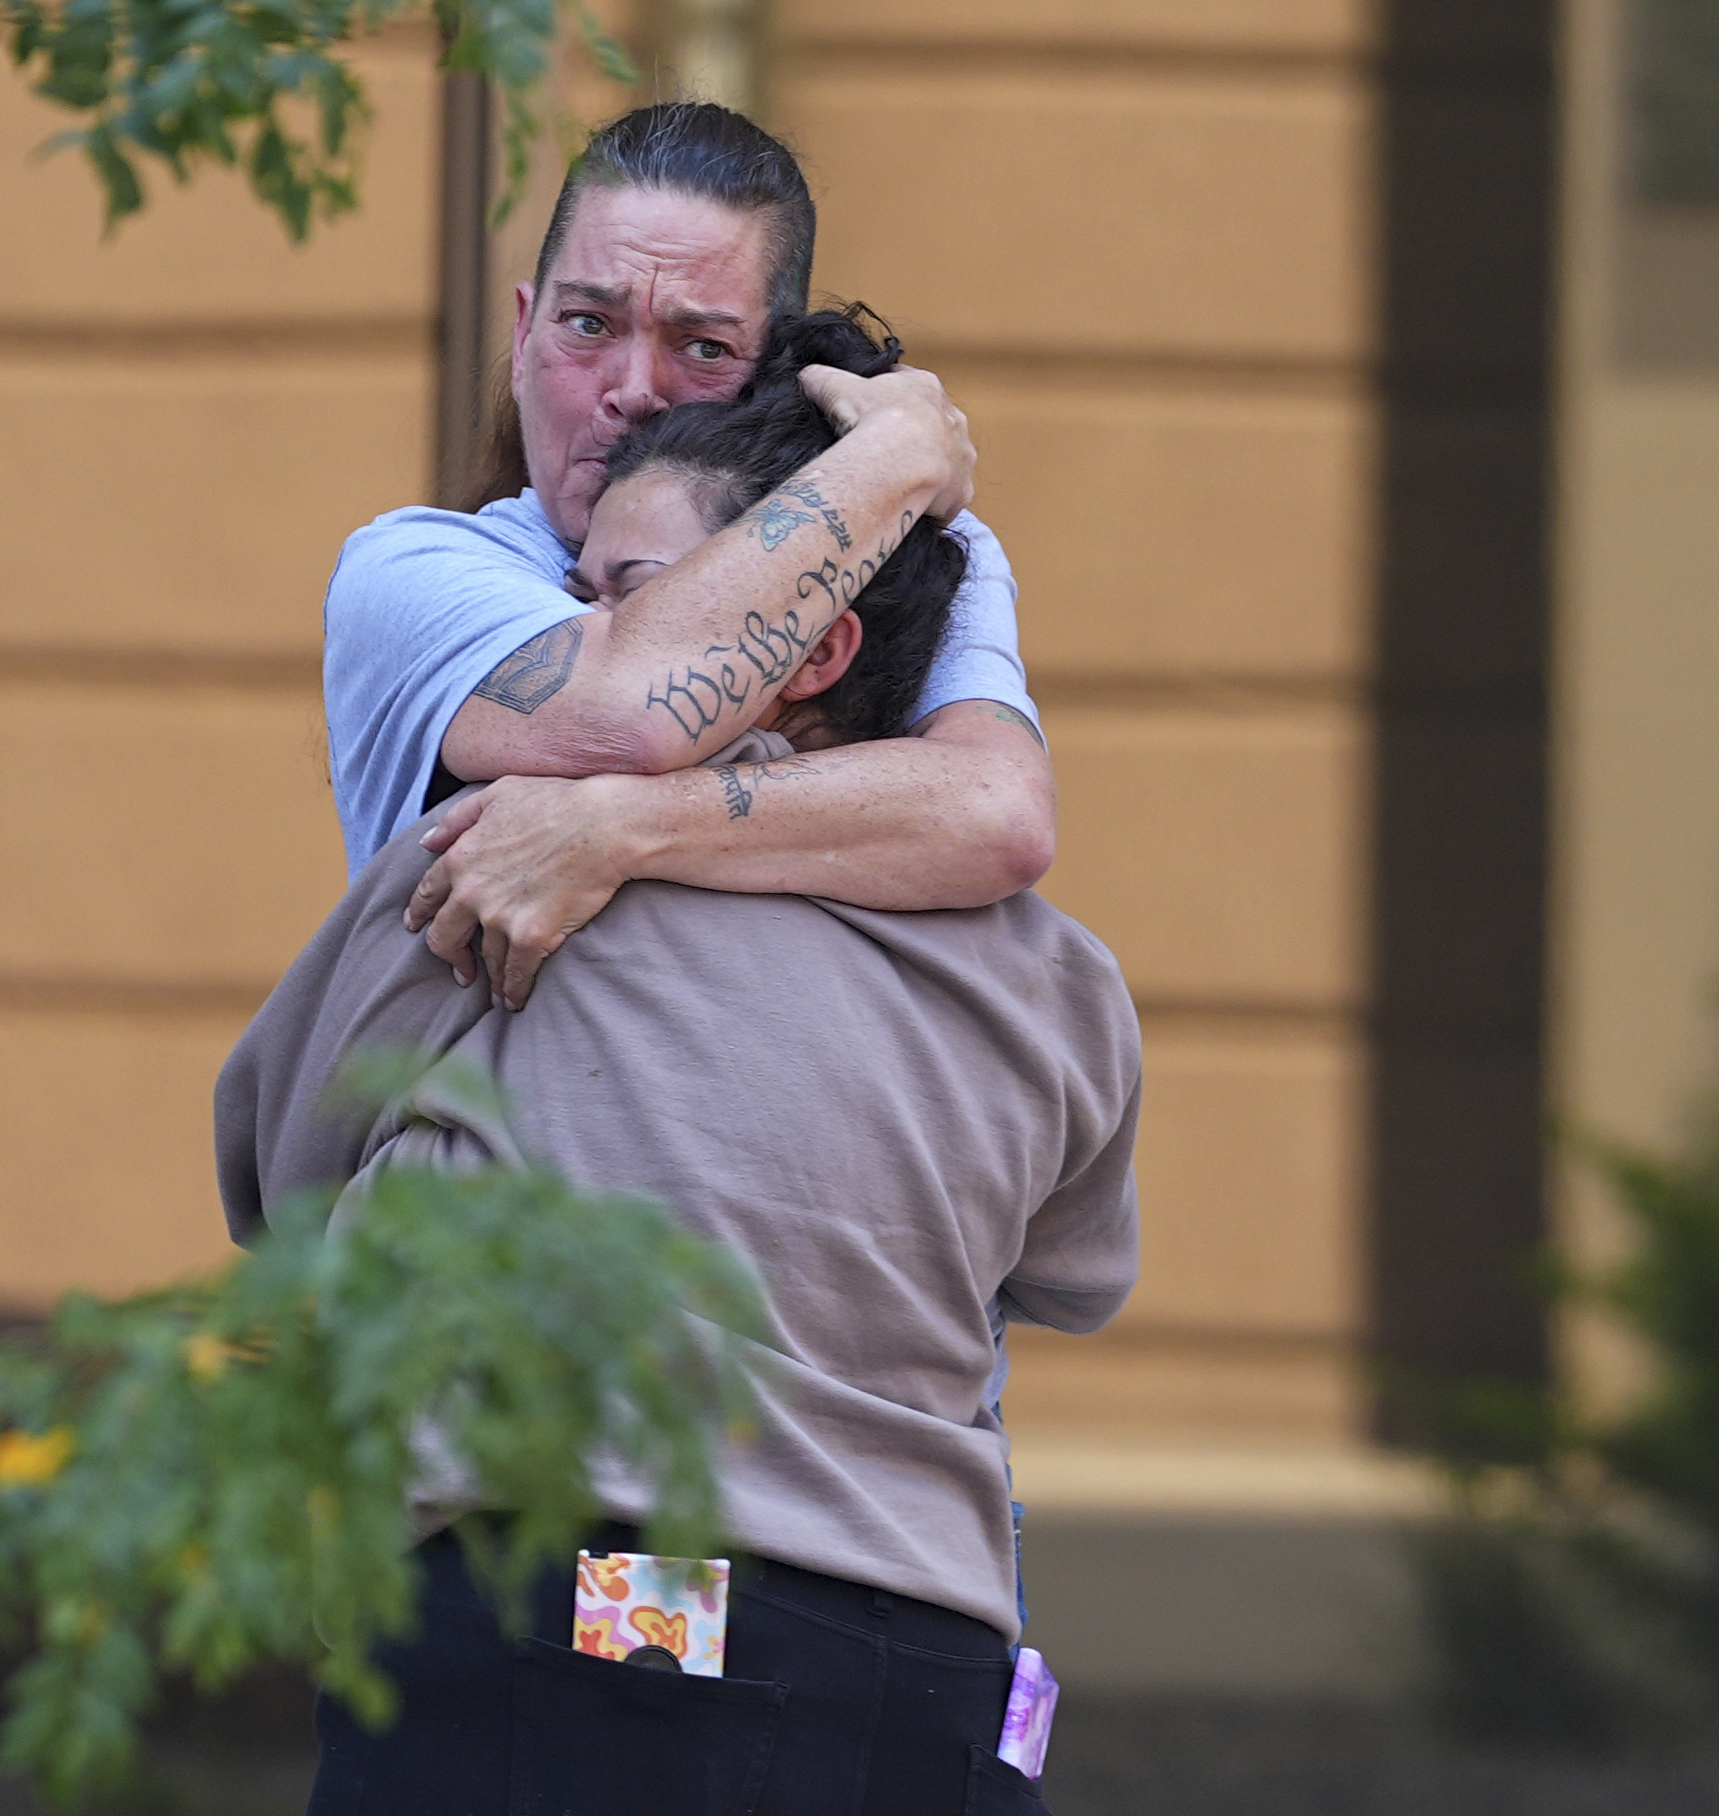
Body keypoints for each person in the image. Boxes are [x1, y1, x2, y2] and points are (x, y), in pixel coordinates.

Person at [218, 311, 1141, 1816]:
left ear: (809, 639)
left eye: (642, 605)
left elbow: (279, 1160)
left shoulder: (496, 869)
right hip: (933, 1677)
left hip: (595, 1615)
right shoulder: (1059, 978)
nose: (596, 652)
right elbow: (1073, 1275)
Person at [321, 102, 1055, 1013]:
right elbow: (625, 719)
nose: (632, 390)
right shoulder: (414, 568)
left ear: (776, 367)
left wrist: (622, 823)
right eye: (589, 325)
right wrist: (900, 453)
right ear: (522, 336)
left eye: (702, 346)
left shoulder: (908, 532)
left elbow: (999, 815)